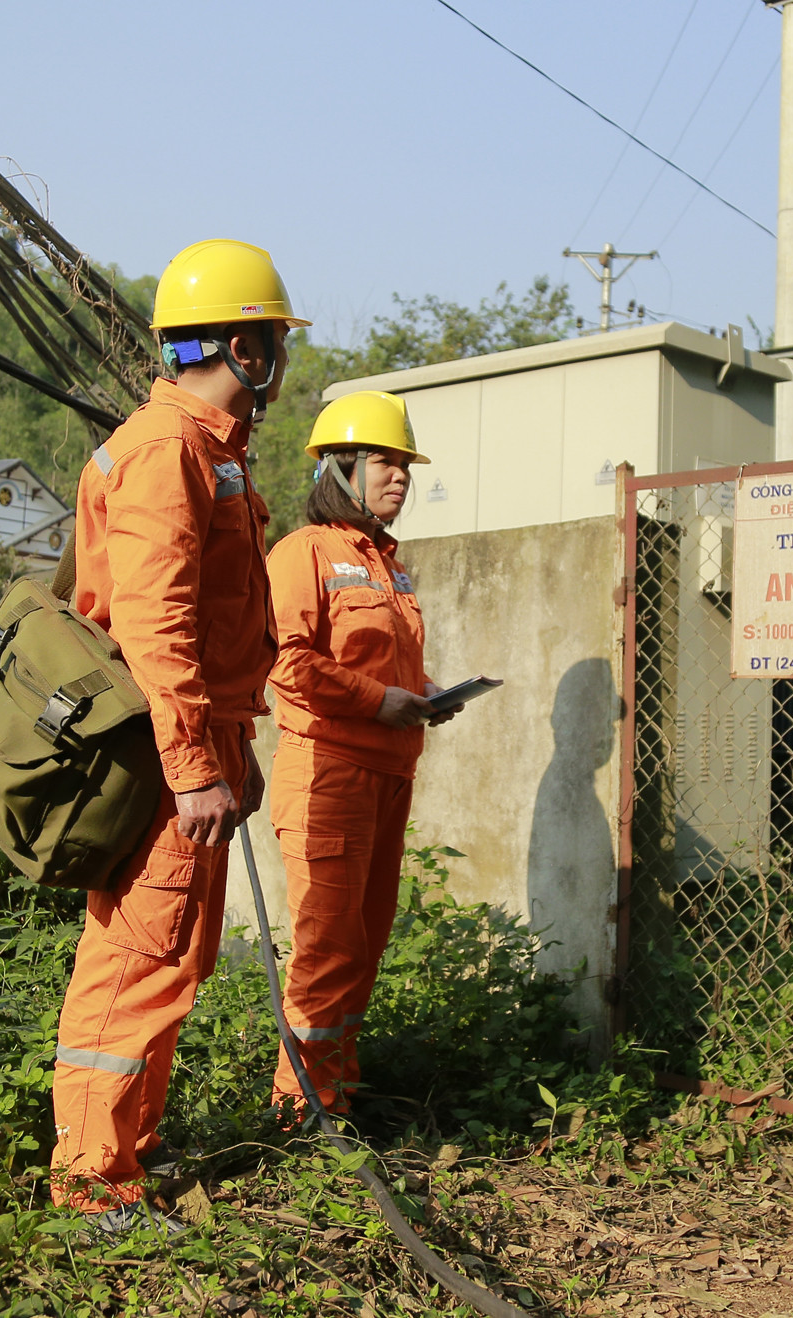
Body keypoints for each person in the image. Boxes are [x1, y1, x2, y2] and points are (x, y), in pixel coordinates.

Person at [50, 239, 304, 1234]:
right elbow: (154, 624)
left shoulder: (206, 452)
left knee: (171, 959)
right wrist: (196, 765)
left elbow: (211, 624)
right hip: (163, 758)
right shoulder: (168, 454)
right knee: (134, 960)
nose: (280, 361)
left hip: (191, 747)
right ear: (244, 346)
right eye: (274, 341)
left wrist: (226, 750)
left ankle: (126, 1158)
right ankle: (90, 1185)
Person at [265, 389, 459, 1118]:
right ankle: (301, 1114)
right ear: (340, 467)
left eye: (406, 464)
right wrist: (382, 702)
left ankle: (335, 1095)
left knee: (363, 948)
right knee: (325, 951)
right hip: (327, 776)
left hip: (387, 775)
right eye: (385, 461)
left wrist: (423, 692)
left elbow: (379, 664)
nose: (401, 476)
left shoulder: (387, 566)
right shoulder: (303, 554)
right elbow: (288, 662)